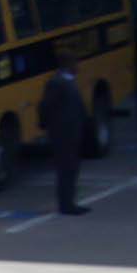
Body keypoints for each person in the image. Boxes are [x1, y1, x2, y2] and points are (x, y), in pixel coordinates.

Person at [40, 45, 91, 216]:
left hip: (73, 132)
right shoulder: (56, 83)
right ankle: (66, 204)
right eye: (75, 63)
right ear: (67, 64)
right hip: (62, 134)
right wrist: (47, 125)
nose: (78, 67)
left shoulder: (69, 82)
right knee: (66, 169)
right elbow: (46, 106)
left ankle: (70, 201)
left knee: (73, 168)